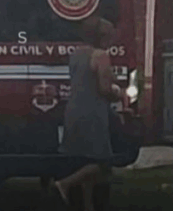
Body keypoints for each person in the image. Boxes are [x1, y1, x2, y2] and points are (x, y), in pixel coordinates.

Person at [53, 16, 126, 211]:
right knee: (103, 162)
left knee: (84, 160)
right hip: (92, 113)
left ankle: (87, 205)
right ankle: (64, 184)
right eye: (110, 36)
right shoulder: (101, 56)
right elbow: (104, 89)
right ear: (102, 37)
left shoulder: (76, 54)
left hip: (74, 110)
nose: (112, 40)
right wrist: (119, 93)